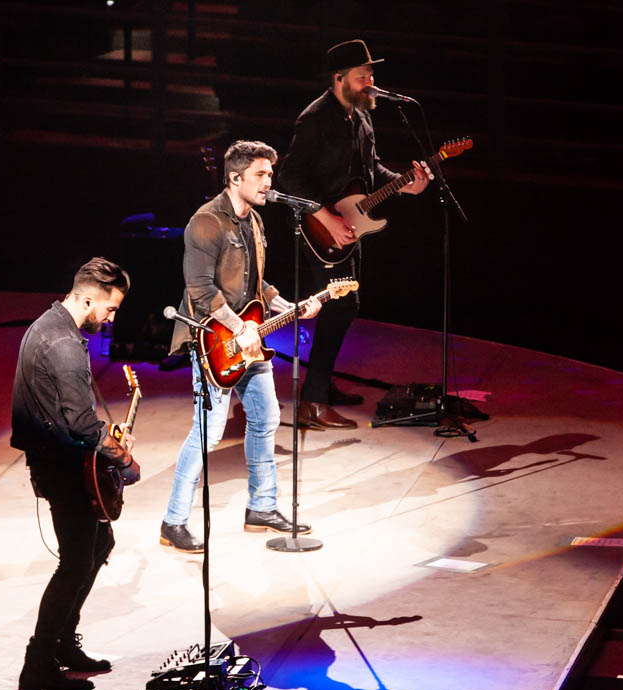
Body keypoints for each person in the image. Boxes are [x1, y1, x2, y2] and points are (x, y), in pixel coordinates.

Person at [160, 140, 321, 553]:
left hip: (249, 338)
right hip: (212, 340)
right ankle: (173, 521)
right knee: (208, 432)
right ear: (235, 177)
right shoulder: (205, 222)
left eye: (270, 174)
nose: (269, 182)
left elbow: (256, 285)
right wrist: (238, 329)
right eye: (261, 175)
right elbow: (200, 290)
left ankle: (262, 508)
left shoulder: (254, 222)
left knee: (266, 417)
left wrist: (287, 306)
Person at [278, 39, 432, 430]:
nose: (371, 82)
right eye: (363, 76)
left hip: (352, 227)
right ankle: (312, 403)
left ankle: (319, 387)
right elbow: (290, 178)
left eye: (371, 75)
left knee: (346, 305)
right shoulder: (314, 119)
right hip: (319, 230)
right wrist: (326, 217)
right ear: (339, 79)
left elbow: (372, 169)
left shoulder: (362, 119)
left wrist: (405, 184)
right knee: (340, 306)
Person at [11, 257, 140, 690]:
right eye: (110, 308)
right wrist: (124, 459)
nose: (111, 317)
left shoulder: (48, 325)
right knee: (75, 563)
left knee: (98, 543)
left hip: (56, 462)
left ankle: (63, 643)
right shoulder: (64, 347)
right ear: (87, 298)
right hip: (63, 469)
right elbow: (83, 427)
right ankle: (38, 663)